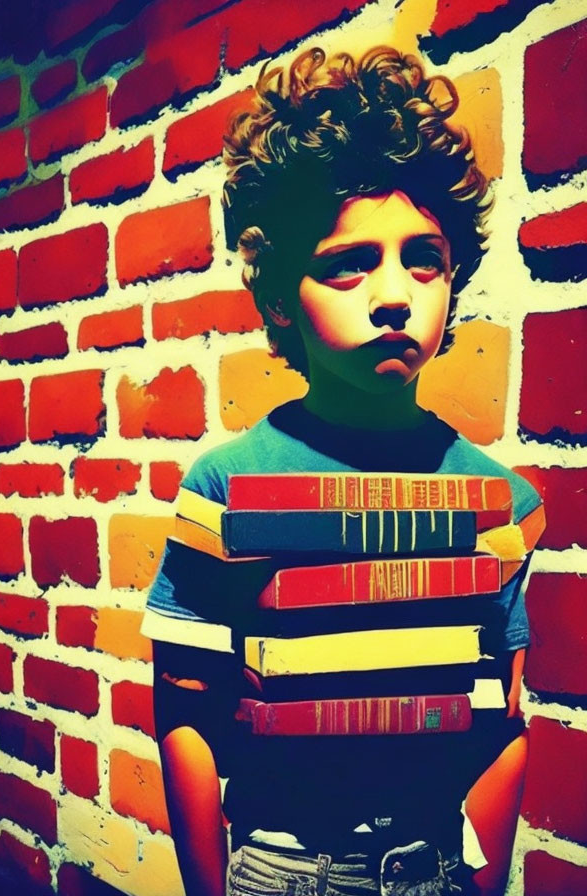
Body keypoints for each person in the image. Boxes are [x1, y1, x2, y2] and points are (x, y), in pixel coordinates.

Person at [142, 46, 544, 896]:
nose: (393, 294)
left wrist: (483, 880)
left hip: (435, 866)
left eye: (423, 258)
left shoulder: (500, 504)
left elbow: (504, 720)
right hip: (281, 867)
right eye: (346, 262)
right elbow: (186, 713)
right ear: (282, 297)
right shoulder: (222, 492)